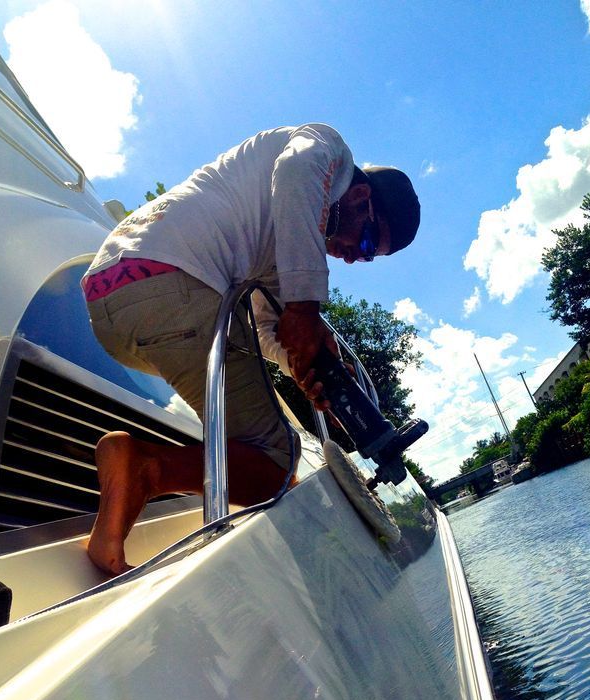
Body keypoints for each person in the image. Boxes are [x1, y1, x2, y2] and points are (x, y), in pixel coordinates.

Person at [82, 123, 420, 575]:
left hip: (113, 296)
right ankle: (145, 469)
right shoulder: (326, 149)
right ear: (360, 198)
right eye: (365, 243)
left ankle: (122, 511)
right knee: (279, 461)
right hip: (174, 284)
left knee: (257, 448)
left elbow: (266, 330)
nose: (355, 259)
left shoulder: (279, 235)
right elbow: (298, 170)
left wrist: (304, 362)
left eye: (367, 258)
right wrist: (305, 306)